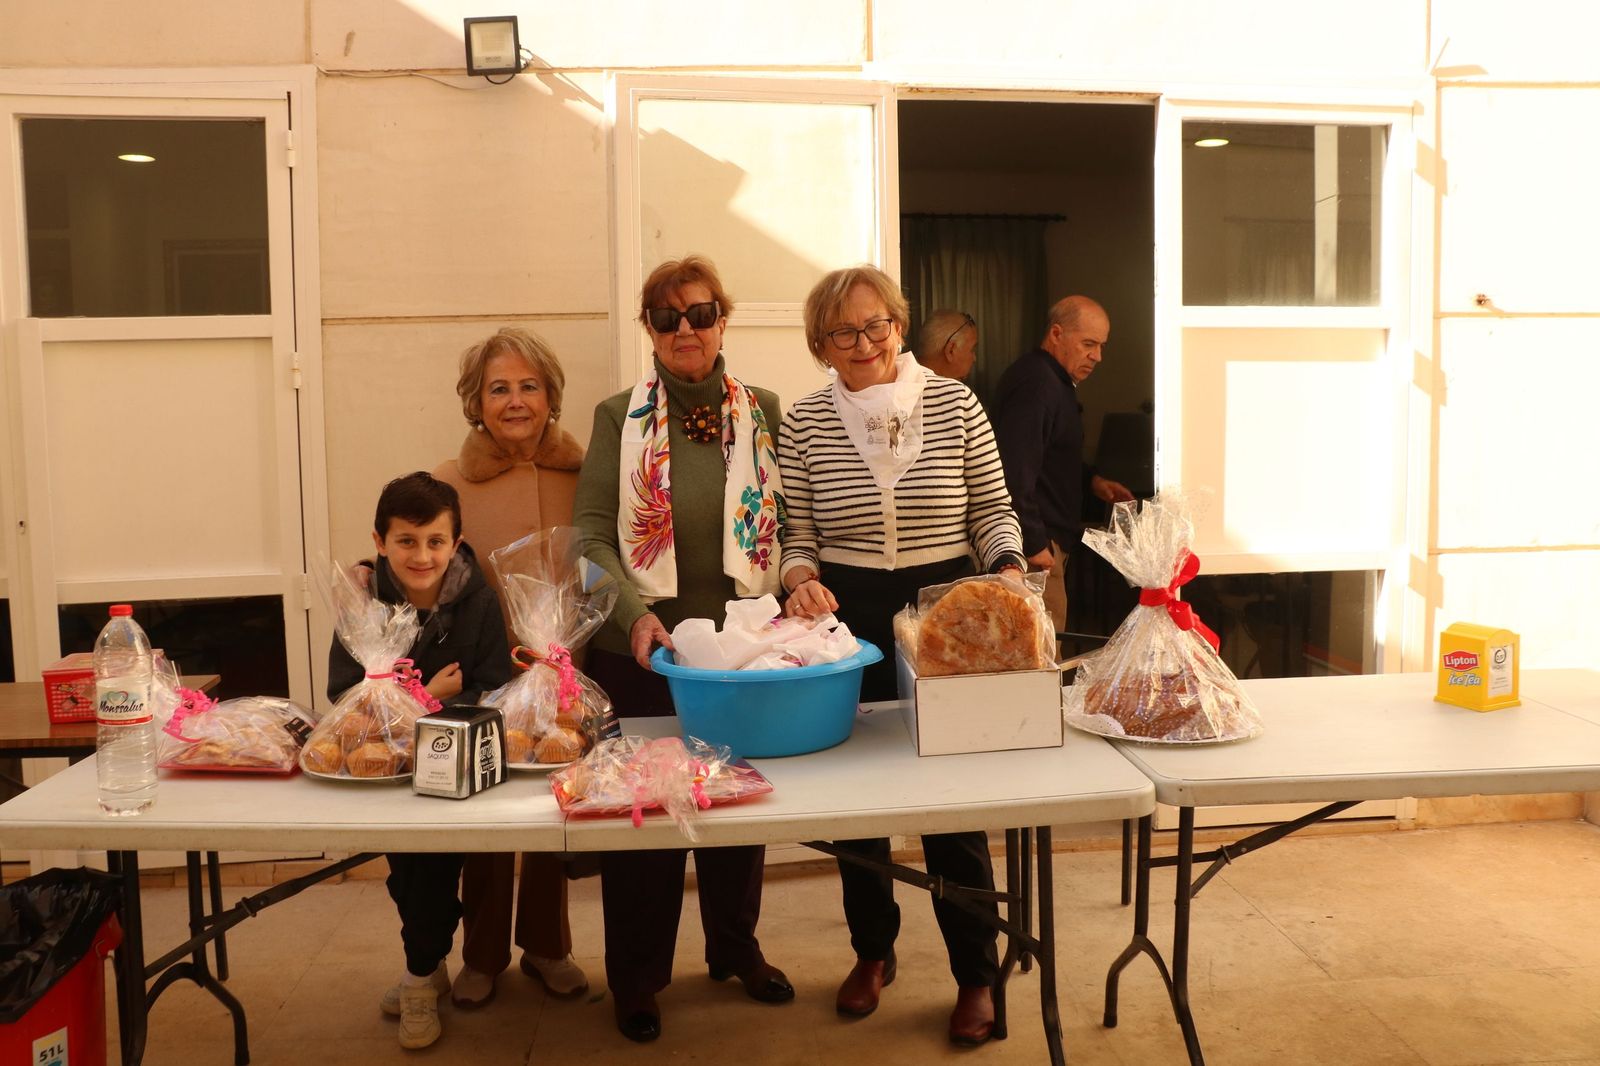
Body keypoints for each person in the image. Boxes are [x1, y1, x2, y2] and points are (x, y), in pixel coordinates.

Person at [779, 265, 1026, 1047]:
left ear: (899, 323)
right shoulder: (807, 419)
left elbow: (991, 508)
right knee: (859, 804)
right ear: (821, 343)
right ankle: (872, 951)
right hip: (844, 618)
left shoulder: (955, 403)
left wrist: (1010, 568)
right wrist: (800, 578)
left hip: (945, 611)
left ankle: (976, 974)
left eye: (876, 325)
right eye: (843, 332)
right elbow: (797, 532)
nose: (864, 344)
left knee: (952, 802)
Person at [573, 255, 792, 1043]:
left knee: (737, 807)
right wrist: (631, 615)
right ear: (650, 332)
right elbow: (592, 538)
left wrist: (796, 581)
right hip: (646, 654)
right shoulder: (614, 416)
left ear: (723, 319)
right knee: (645, 822)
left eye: (699, 313)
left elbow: (791, 528)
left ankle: (735, 947)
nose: (685, 330)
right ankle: (637, 977)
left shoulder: (764, 411)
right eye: (667, 319)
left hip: (738, 654)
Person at [430, 327, 590, 1009]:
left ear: (551, 395)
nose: (516, 400)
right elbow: (420, 562)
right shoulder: (446, 482)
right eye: (499, 388)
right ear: (476, 402)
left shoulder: (589, 474)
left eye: (529, 386)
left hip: (571, 671)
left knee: (557, 810)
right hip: (486, 675)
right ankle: (484, 953)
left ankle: (548, 948)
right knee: (489, 818)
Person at [326, 472, 514, 1050]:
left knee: (432, 871)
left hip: (451, 770)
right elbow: (343, 694)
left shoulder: (478, 602)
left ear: (455, 542)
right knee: (405, 875)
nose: (422, 555)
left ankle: (416, 976)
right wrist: (428, 693)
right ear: (380, 542)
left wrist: (444, 707)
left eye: (435, 541)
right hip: (382, 771)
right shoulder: (364, 603)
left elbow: (494, 687)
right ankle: (428, 964)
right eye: (406, 541)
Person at [990, 296, 1133, 635]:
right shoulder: (1037, 384)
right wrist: (1034, 541)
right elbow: (1013, 469)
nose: (1097, 356)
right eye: (1088, 344)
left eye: (1100, 346)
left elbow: (1049, 453)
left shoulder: (1053, 381)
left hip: (1046, 540)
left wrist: (1091, 481)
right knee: (1041, 652)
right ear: (1056, 334)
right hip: (1034, 549)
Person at [914, 309, 978, 382]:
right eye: (972, 350)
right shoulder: (958, 392)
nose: (974, 359)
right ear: (950, 351)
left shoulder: (902, 379)